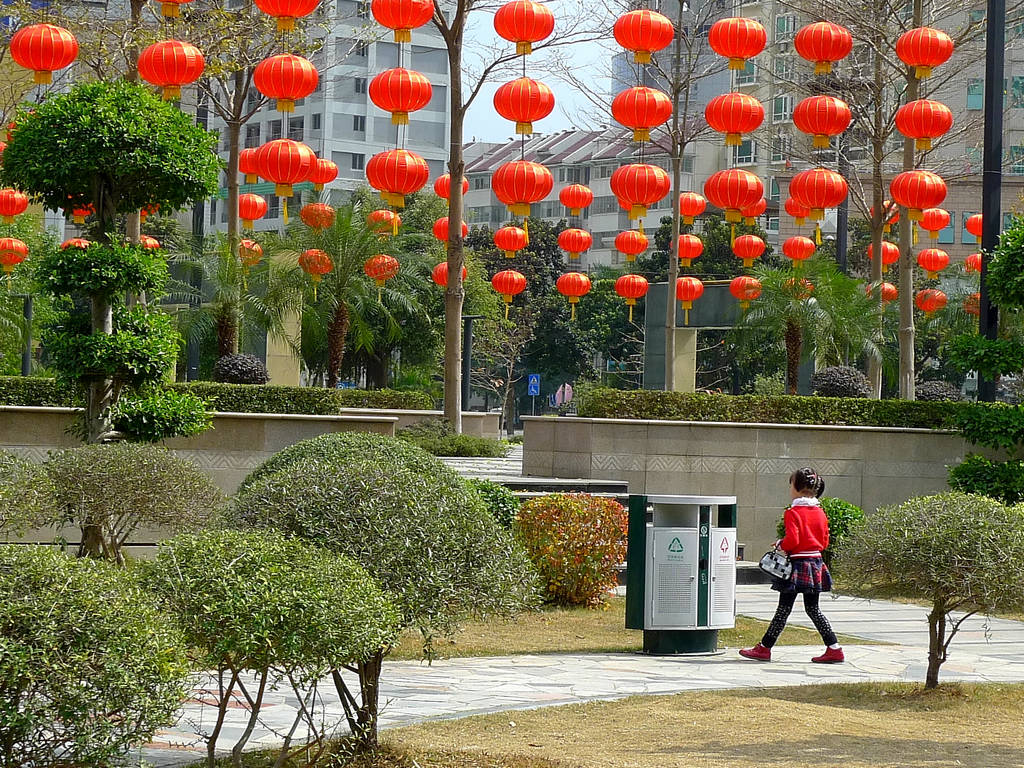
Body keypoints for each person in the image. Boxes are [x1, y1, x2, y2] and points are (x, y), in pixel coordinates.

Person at [739, 467, 844, 664]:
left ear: (796, 487)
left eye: (790, 484)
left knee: (784, 608)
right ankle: (834, 648)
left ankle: (764, 649)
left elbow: (793, 540)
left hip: (798, 566)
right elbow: (824, 542)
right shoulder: (820, 512)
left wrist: (781, 543)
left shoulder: (793, 512)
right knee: (812, 608)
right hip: (815, 563)